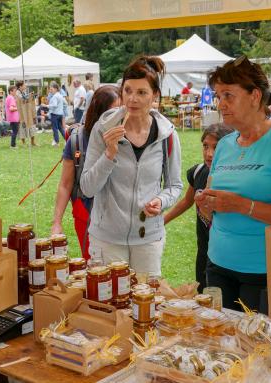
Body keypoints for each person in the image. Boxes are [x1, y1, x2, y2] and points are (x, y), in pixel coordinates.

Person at [194, 56, 271, 312]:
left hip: (265, 272)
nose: (220, 104)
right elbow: (213, 204)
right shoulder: (224, 144)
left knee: (256, 349)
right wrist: (206, 203)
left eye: (228, 95)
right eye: (217, 96)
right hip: (218, 264)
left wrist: (242, 205)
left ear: (255, 96)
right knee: (219, 344)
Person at [80, 56, 183, 276]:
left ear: (155, 96)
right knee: (110, 304)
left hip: (148, 239)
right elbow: (87, 188)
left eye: (141, 92)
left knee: (146, 303)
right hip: (106, 239)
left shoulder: (167, 134)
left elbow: (175, 185)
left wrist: (161, 200)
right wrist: (109, 154)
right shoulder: (103, 128)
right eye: (127, 91)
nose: (132, 99)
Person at [51, 85, 121, 259]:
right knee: (95, 269)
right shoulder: (77, 140)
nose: (119, 117)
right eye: (113, 112)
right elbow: (65, 184)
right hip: (87, 213)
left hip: (120, 217)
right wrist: (57, 223)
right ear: (99, 113)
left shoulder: (128, 137)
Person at [164, 123, 233, 292]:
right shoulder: (199, 172)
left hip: (225, 255)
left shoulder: (233, 179)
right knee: (204, 296)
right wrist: (162, 220)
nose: (209, 154)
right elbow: (187, 201)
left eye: (216, 147)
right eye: (205, 146)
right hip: (204, 251)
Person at [16, 81, 38, 146]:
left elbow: (26, 98)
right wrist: (28, 96)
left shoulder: (24, 92)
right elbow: (21, 99)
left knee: (31, 126)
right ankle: (24, 143)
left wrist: (30, 95)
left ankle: (32, 142)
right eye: (24, 85)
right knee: (23, 127)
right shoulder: (17, 93)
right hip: (22, 113)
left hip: (28, 112)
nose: (25, 86)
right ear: (20, 86)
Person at [48, 82, 66, 146]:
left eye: (51, 89)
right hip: (60, 114)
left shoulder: (55, 96)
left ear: (55, 89)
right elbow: (65, 103)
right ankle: (67, 139)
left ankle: (56, 142)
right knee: (61, 128)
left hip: (55, 114)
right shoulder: (60, 95)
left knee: (55, 129)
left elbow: (54, 105)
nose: (50, 91)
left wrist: (46, 105)